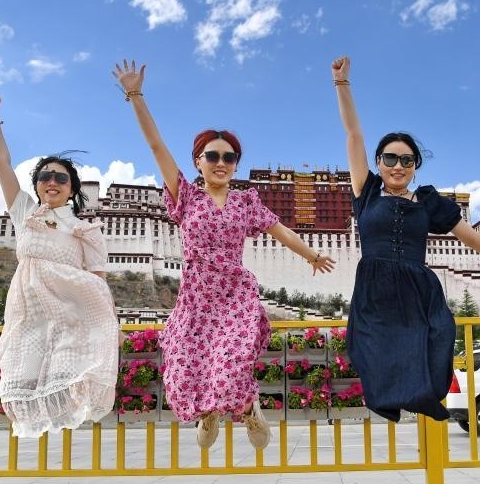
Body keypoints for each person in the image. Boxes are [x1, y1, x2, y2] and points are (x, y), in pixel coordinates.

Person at [114, 60, 335, 450]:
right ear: (198, 161)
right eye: (212, 156)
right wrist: (136, 95)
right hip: (196, 296)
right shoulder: (186, 196)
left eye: (228, 157)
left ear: (235, 164)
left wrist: (312, 256)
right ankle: (207, 413)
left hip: (234, 293)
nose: (220, 163)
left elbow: (280, 230)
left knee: (231, 360)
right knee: (183, 362)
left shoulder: (246, 202)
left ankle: (248, 409)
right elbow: (156, 146)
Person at [331, 56, 480, 422]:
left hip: (417, 284)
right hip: (375, 286)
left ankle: (424, 395)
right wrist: (342, 84)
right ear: (378, 162)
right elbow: (354, 135)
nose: (398, 166)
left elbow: (470, 236)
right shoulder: (367, 191)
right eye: (391, 158)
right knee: (374, 344)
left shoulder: (428, 201)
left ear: (415, 167)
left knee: (439, 332)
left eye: (407, 161)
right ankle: (390, 399)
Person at [0, 91, 119, 438]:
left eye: (61, 178)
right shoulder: (25, 213)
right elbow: (2, 164)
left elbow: (98, 283)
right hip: (28, 316)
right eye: (45, 176)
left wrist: (111, 325)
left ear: (71, 189)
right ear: (37, 185)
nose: (52, 182)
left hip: (69, 315)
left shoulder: (85, 230)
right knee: (24, 374)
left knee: (69, 383)